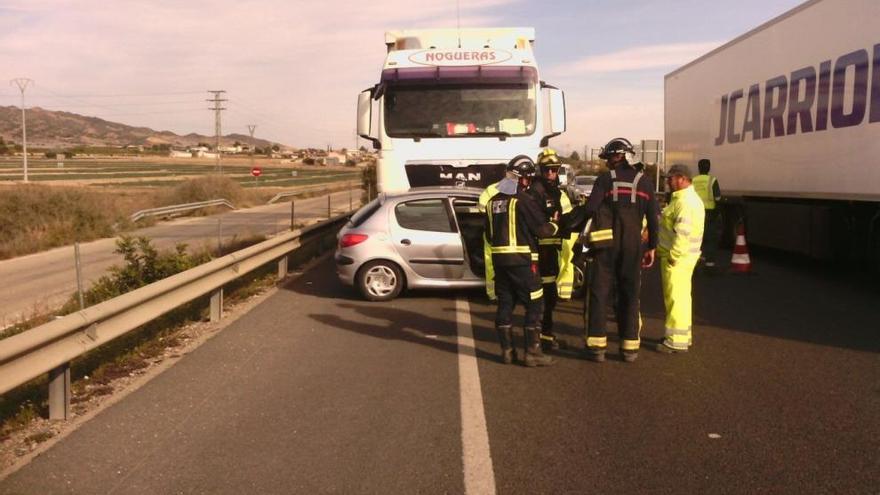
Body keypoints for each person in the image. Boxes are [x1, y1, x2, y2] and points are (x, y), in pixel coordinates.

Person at [581, 138, 660, 363]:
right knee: (630, 294)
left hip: (605, 246)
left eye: (608, 158)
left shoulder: (605, 181)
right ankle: (629, 349)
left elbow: (590, 208)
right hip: (633, 247)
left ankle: (597, 347)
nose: (607, 163)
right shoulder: (644, 183)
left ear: (618, 157)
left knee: (599, 293)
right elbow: (654, 220)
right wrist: (652, 246)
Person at [484, 156, 559, 367]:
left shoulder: (492, 203)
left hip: (500, 263)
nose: (528, 182)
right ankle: (532, 353)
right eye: (527, 178)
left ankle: (507, 352)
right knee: (535, 303)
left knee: (505, 304)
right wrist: (554, 223)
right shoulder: (523, 201)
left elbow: (489, 236)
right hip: (524, 262)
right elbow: (542, 231)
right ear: (523, 178)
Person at [529, 148, 578, 351]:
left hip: (552, 252)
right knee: (540, 297)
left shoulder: (557, 192)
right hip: (537, 252)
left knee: (549, 297)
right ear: (540, 170)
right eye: (547, 170)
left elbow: (564, 218)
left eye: (555, 169)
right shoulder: (534, 192)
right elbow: (536, 223)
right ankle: (538, 339)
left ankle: (545, 336)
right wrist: (552, 223)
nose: (551, 173)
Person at [656, 164, 705, 354]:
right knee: (682, 298)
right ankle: (682, 337)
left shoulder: (685, 202)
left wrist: (672, 257)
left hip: (677, 259)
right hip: (683, 258)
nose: (668, 181)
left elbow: (682, 234)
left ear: (683, 178)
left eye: (671, 178)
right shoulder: (684, 200)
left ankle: (675, 340)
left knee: (676, 298)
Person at [693, 158, 722, 267]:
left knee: (696, 237)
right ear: (709, 168)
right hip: (709, 214)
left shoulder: (694, 180)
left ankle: (696, 259)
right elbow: (718, 198)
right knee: (710, 238)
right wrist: (717, 212)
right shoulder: (712, 180)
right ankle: (709, 262)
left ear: (698, 168)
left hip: (695, 213)